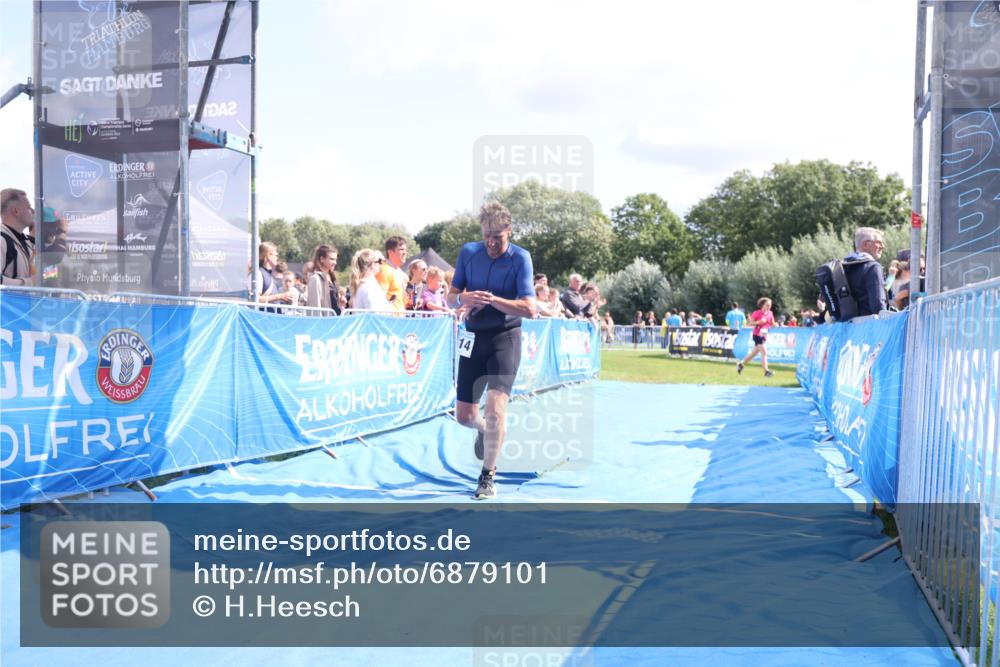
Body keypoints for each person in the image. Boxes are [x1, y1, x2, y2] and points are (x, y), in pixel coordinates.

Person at [447, 202, 536, 500]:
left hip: (504, 339)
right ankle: (484, 430)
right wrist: (464, 298)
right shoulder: (468, 253)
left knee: (496, 408)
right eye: (487, 235)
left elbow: (530, 308)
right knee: (464, 416)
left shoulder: (520, 258)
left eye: (497, 237)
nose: (491, 243)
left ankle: (487, 475)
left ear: (509, 231)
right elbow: (450, 298)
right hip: (473, 339)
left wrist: (492, 300)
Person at [843, 227, 888, 318]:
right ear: (865, 244)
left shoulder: (844, 266)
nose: (882, 246)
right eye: (878, 242)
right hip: (868, 323)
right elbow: (878, 305)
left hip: (846, 323)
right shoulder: (873, 267)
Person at [1, 188, 35, 286]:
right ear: (16, 211)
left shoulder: (26, 241)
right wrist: (29, 283)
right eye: (28, 207)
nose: (32, 211)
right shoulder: (2, 240)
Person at [250, 242, 296, 309]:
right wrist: (280, 296)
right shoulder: (258, 273)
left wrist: (282, 298)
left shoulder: (267, 273)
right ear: (268, 256)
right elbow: (255, 299)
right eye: (276, 255)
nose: (277, 258)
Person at [737, 297, 775, 378]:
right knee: (764, 352)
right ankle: (766, 372)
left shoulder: (770, 313)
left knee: (754, 353)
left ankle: (741, 364)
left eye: (770, 305)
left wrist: (776, 325)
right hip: (757, 335)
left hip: (764, 335)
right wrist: (759, 322)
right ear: (762, 305)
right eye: (767, 305)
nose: (769, 307)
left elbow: (772, 323)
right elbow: (750, 323)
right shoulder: (757, 313)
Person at [376, 236, 409, 311]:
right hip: (389, 317)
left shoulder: (400, 273)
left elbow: (402, 300)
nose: (405, 253)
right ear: (390, 252)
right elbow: (379, 299)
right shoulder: (384, 270)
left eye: (405, 250)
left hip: (401, 316)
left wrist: (411, 302)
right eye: (401, 249)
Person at [306, 244, 341, 315]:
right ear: (322, 259)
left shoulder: (332, 277)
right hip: (325, 320)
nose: (335, 263)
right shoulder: (315, 279)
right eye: (332, 259)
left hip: (335, 318)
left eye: (335, 259)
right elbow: (315, 307)